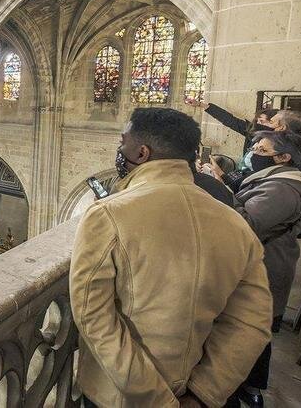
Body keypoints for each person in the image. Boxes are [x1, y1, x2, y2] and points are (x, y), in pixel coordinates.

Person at [70, 108, 272, 408]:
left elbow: (94, 317)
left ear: (141, 152)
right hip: (193, 390)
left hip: (120, 396)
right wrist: (204, 393)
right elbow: (251, 323)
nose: (119, 150)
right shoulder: (235, 225)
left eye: (122, 142)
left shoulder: (109, 215)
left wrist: (158, 400)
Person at [228, 130, 301, 407]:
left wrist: (220, 190)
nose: (253, 152)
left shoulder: (282, 189)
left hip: (266, 267)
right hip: (262, 264)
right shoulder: (277, 181)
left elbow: (246, 224)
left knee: (252, 330)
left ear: (283, 157)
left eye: (261, 149)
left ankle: (249, 390)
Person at [269, 109, 301, 239]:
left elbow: (296, 188)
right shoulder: (298, 145)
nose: (268, 126)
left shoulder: (294, 151)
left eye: (271, 122)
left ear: (282, 127)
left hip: (294, 224)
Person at [187, 98, 277, 157]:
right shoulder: (253, 132)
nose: (257, 124)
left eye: (262, 121)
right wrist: (200, 104)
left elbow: (231, 120)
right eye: (257, 121)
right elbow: (230, 120)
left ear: (273, 124)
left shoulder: (275, 143)